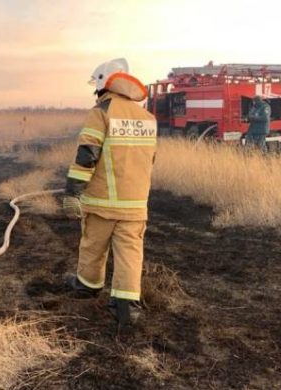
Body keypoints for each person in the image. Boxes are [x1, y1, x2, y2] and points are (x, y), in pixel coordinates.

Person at [61, 58, 157, 328]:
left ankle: (88, 286)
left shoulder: (101, 112)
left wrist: (72, 192)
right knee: (130, 253)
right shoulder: (147, 118)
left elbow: (87, 155)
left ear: (104, 84)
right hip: (136, 204)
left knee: (93, 245)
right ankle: (126, 307)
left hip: (102, 202)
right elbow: (149, 161)